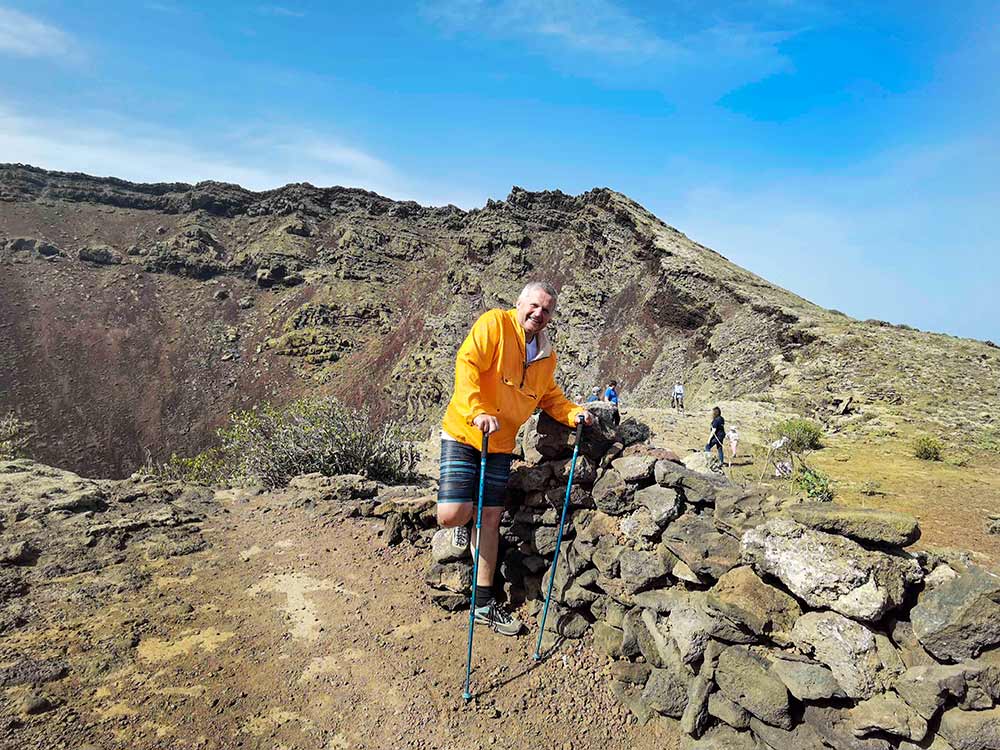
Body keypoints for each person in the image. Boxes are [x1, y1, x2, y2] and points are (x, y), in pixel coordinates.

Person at [436, 281, 594, 636]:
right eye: (535, 306)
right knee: (453, 515)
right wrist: (476, 411)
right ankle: (464, 521)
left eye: (547, 310)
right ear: (519, 303)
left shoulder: (545, 356)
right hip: (465, 431)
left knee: (490, 519)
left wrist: (573, 415)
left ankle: (483, 603)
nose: (539, 314)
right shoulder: (495, 324)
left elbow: (550, 397)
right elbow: (468, 365)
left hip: (501, 444)